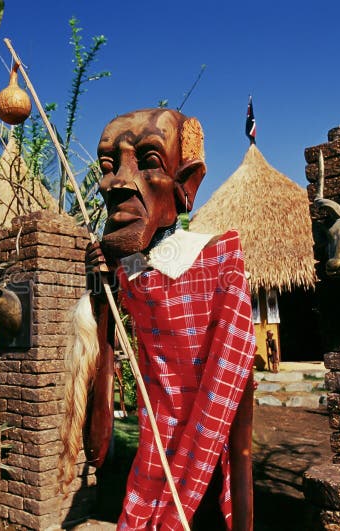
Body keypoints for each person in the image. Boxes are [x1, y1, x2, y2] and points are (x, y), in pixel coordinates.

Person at [79, 108, 257, 530]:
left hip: (209, 464)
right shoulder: (131, 275)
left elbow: (240, 440)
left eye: (148, 162)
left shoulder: (219, 263)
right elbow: (97, 445)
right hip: (154, 451)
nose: (118, 182)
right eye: (108, 167)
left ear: (186, 184)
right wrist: (100, 297)